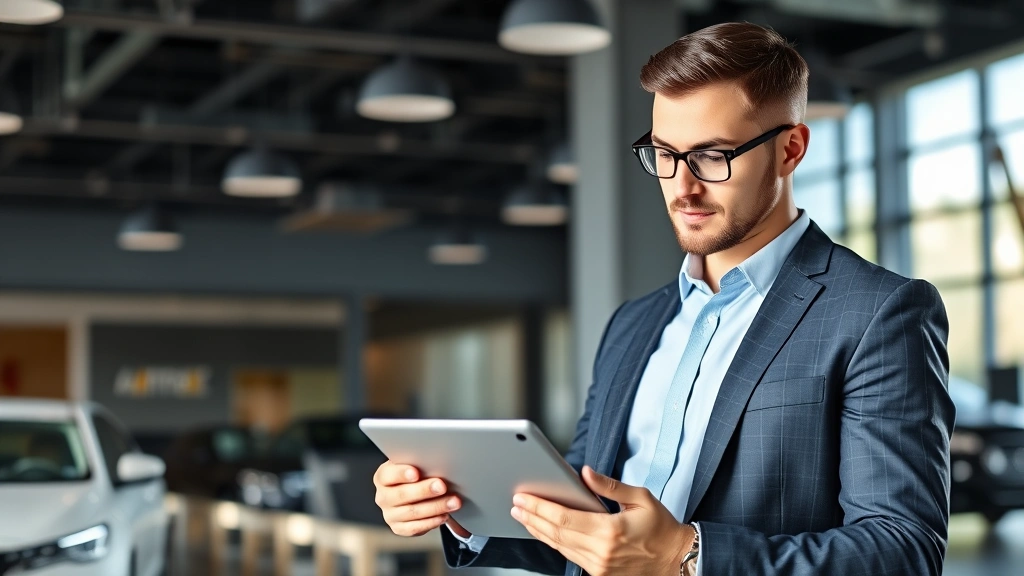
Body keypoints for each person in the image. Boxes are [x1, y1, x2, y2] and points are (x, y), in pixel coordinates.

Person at [372, 22, 954, 576]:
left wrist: (687, 555)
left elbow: (903, 550)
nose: (682, 186)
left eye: (712, 155)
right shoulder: (633, 323)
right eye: (665, 154)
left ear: (790, 149)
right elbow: (584, 525)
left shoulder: (880, 313)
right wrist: (456, 512)